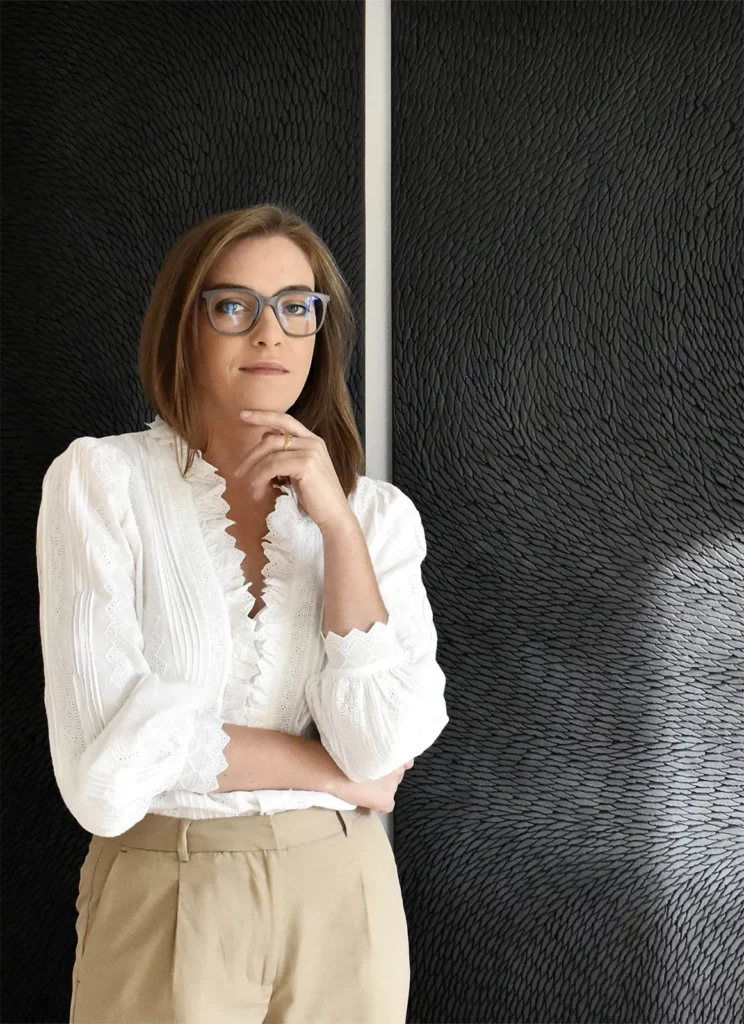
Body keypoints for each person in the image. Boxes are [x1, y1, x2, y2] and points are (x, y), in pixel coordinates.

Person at [36, 203, 450, 1024]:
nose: (270, 334)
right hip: (168, 886)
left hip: (345, 893)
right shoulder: (100, 483)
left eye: (296, 307)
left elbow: (381, 739)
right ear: (184, 327)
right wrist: (329, 773)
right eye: (234, 306)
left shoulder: (377, 517)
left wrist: (334, 524)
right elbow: (106, 774)